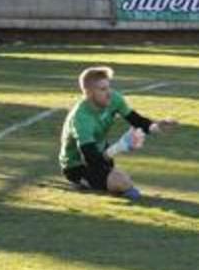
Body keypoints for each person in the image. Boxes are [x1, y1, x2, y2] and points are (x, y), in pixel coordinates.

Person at [59, 66, 178, 200]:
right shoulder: (81, 118)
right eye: (102, 89)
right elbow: (90, 157)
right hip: (77, 164)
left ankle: (102, 181)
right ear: (89, 93)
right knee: (122, 183)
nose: (109, 92)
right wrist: (120, 147)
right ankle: (82, 181)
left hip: (101, 152)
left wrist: (156, 127)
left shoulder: (113, 99)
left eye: (108, 87)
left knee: (120, 180)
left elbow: (135, 119)